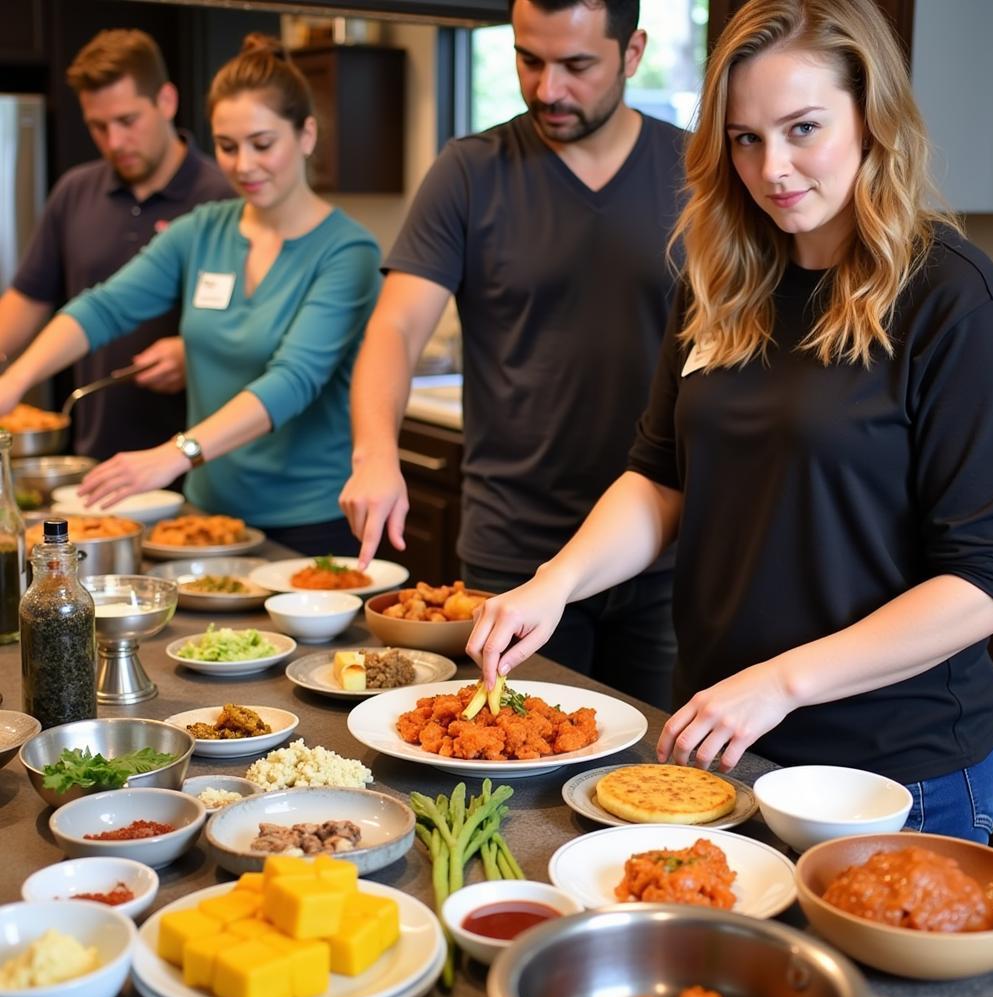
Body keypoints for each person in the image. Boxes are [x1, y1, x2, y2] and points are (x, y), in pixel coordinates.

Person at [466, 0, 993, 844]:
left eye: (804, 128)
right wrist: (556, 580)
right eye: (745, 138)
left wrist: (782, 683)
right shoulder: (722, 283)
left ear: (874, 119)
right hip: (725, 737)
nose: (773, 168)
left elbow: (984, 583)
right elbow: (660, 477)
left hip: (890, 766)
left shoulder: (957, 305)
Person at [339, 0, 686, 709]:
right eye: (529, 60)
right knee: (516, 765)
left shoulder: (698, 173)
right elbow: (397, 328)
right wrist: (374, 451)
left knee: (652, 784)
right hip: (511, 550)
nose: (548, 87)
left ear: (633, 51)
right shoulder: (470, 171)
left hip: (664, 547)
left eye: (577, 65)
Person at [0, 34, 380, 557]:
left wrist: (177, 453)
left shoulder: (348, 251)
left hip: (309, 526)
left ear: (307, 134)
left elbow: (293, 380)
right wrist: (14, 380)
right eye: (227, 146)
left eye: (262, 143)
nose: (244, 164)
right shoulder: (203, 230)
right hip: (208, 517)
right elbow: (103, 306)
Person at [0, 28, 233, 461]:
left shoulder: (224, 200)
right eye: (98, 126)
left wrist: (194, 353)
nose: (114, 142)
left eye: (127, 121)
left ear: (166, 100)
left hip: (197, 457)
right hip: (97, 454)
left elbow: (256, 326)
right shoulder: (75, 191)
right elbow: (31, 298)